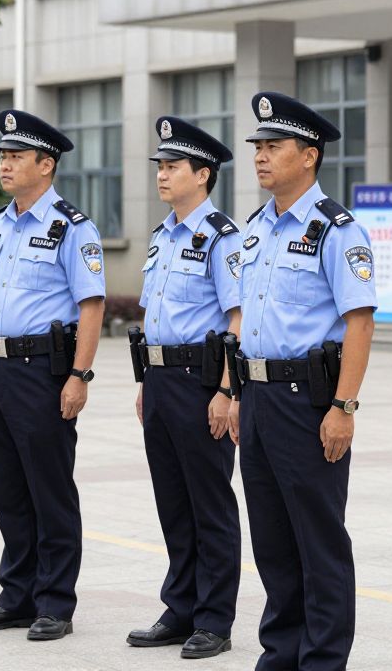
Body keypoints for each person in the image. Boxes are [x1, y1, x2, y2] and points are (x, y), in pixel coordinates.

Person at [237, 92, 376, 671]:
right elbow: (241, 317)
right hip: (257, 396)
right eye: (259, 148)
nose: (262, 157)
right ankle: (281, 652)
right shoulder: (255, 230)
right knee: (270, 538)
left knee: (318, 538)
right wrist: (233, 393)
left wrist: (343, 405)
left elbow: (360, 320)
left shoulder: (336, 230)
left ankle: (321, 659)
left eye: (275, 147)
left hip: (307, 399)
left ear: (310, 156)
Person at [0, 110, 106, 642]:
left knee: (49, 489)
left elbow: (90, 306)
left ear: (46, 164)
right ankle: (17, 594)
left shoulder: (71, 226)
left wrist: (79, 375)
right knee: (9, 490)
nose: (6, 164)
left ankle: (54, 602)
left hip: (43, 373)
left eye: (16, 156)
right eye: (3, 155)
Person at [126, 117, 242, 660]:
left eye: (173, 167)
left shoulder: (222, 238)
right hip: (161, 379)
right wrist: (146, 378)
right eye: (161, 167)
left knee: (209, 502)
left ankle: (214, 618)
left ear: (203, 174)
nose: (163, 175)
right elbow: (154, 315)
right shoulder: (161, 237)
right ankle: (181, 607)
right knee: (173, 500)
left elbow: (237, 318)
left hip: (202, 382)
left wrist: (227, 390)